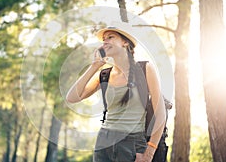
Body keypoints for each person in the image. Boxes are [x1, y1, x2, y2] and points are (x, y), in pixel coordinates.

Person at [66, 22, 166, 162]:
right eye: (104, 39)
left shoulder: (145, 69)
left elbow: (160, 114)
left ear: (125, 42)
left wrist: (149, 153)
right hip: (103, 142)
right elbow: (71, 97)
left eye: (110, 37)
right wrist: (95, 66)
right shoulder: (104, 75)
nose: (105, 42)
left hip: (132, 143)